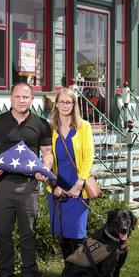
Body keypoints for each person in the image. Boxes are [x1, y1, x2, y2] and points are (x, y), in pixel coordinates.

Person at [0, 83, 53, 277]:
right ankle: (5, 273)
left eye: (26, 97)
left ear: (32, 100)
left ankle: (28, 275)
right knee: (2, 231)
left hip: (29, 186)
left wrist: (44, 167)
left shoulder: (41, 124)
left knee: (28, 232)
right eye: (18, 96)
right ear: (11, 98)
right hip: (3, 185)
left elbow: (47, 152)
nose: (21, 100)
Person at [46, 87, 95, 259]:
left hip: (77, 190)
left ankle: (81, 275)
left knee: (78, 237)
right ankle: (69, 275)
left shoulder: (84, 127)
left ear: (74, 105)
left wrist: (79, 184)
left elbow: (89, 156)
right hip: (57, 188)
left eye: (69, 102)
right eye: (62, 102)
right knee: (62, 237)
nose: (65, 105)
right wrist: (54, 185)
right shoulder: (50, 128)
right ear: (56, 105)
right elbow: (47, 157)